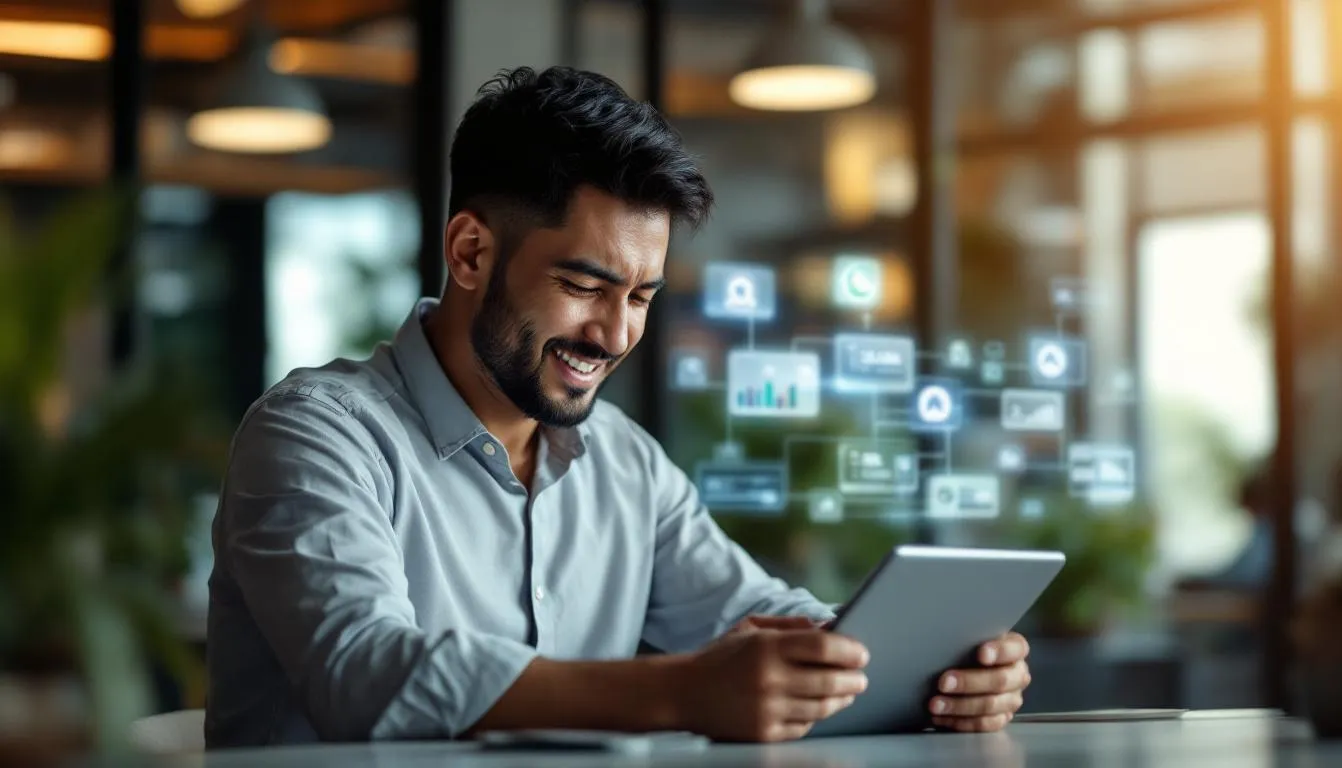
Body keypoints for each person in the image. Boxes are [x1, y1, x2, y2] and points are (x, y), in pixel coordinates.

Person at [204, 65, 1031, 749]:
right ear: (470, 252)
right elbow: (364, 672)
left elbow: (753, 617)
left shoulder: (624, 461)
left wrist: (934, 668)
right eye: (583, 286)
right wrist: (678, 693)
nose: (615, 334)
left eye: (640, 296)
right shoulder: (315, 434)